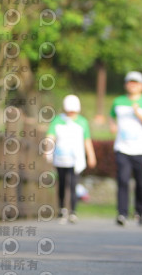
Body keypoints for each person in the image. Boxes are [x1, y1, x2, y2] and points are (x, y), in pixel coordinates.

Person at [109, 71, 142, 226]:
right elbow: (111, 116)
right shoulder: (118, 101)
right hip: (122, 147)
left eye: (136, 83)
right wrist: (112, 125)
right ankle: (122, 213)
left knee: (141, 182)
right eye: (130, 82)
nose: (133, 85)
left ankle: (140, 211)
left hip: (140, 148)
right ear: (126, 84)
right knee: (123, 180)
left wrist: (138, 113)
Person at [45, 94, 97, 224]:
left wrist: (91, 156)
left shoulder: (82, 122)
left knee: (73, 184)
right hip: (60, 158)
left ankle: (73, 211)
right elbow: (50, 137)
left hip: (76, 159)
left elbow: (87, 140)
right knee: (62, 184)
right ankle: (62, 209)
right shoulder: (57, 120)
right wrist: (47, 151)